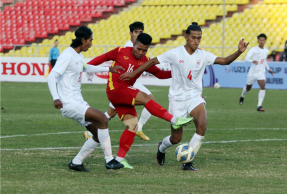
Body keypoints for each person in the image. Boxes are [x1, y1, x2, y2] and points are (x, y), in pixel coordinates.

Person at [120, 22, 249, 171]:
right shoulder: (175, 53)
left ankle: (188, 161)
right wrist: (133, 73)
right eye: (193, 37)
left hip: (194, 96)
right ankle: (161, 148)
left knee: (202, 125)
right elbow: (152, 61)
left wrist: (239, 51)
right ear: (186, 37)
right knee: (176, 139)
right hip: (177, 99)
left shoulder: (203, 55)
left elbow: (224, 60)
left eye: (199, 38)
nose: (196, 41)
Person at [88, 33, 194, 169]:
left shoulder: (145, 60)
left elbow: (160, 74)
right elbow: (102, 58)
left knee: (132, 126)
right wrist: (85, 66)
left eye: (145, 50)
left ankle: (119, 160)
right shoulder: (120, 51)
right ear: (134, 44)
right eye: (138, 49)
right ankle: (174, 120)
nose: (141, 52)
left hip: (125, 92)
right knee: (146, 97)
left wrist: (178, 72)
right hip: (115, 90)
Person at [47, 26, 125, 172]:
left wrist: (109, 69)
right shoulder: (67, 55)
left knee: (97, 134)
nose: (91, 43)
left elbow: (86, 68)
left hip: (78, 102)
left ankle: (76, 162)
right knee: (102, 118)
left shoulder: (78, 56)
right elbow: (52, 76)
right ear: (83, 40)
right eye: (90, 40)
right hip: (69, 103)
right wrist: (56, 97)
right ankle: (109, 160)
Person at [84, 22, 154, 141]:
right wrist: (87, 66)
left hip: (131, 83)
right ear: (130, 33)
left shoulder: (140, 47)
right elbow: (107, 57)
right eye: (136, 32)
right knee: (112, 112)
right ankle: (90, 132)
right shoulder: (126, 48)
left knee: (149, 101)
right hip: (120, 84)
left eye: (140, 32)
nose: (138, 34)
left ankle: (139, 127)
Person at [239, 33, 274, 111]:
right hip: (252, 72)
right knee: (248, 88)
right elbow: (246, 58)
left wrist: (268, 68)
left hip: (261, 72)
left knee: (263, 85)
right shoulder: (253, 49)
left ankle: (259, 106)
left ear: (265, 41)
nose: (261, 41)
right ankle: (242, 96)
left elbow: (264, 60)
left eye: (263, 40)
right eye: (260, 40)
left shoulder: (266, 51)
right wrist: (252, 60)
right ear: (258, 41)